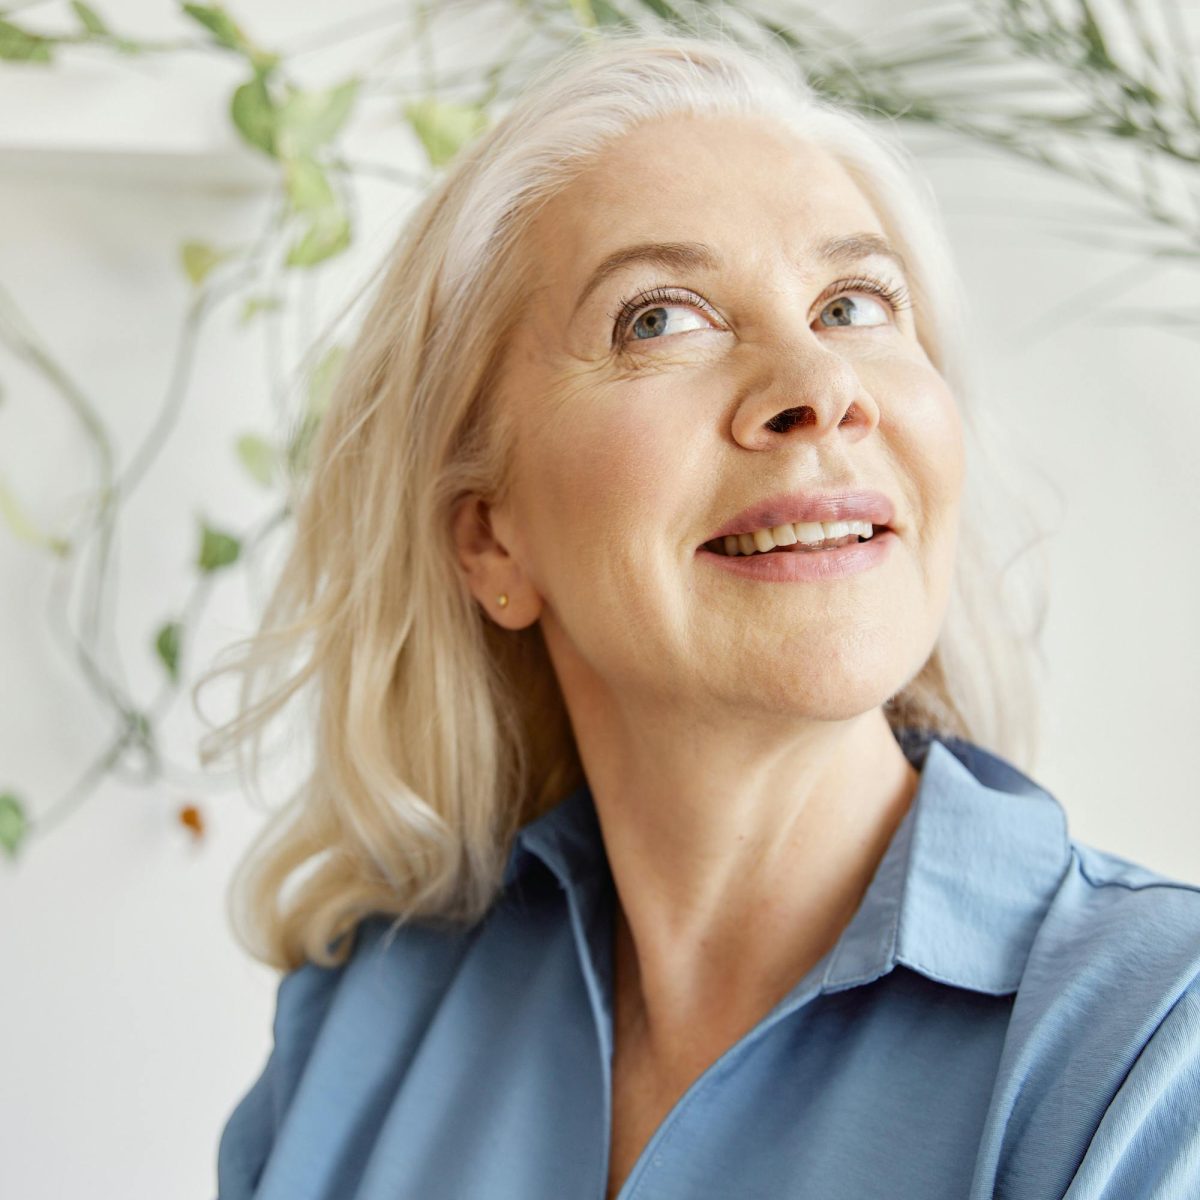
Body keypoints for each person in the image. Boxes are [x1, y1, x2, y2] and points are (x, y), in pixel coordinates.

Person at [207, 27, 1200, 1200]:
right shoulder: (361, 1027)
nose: (820, 388)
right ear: (490, 539)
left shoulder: (1154, 1046)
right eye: (658, 319)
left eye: (854, 302)